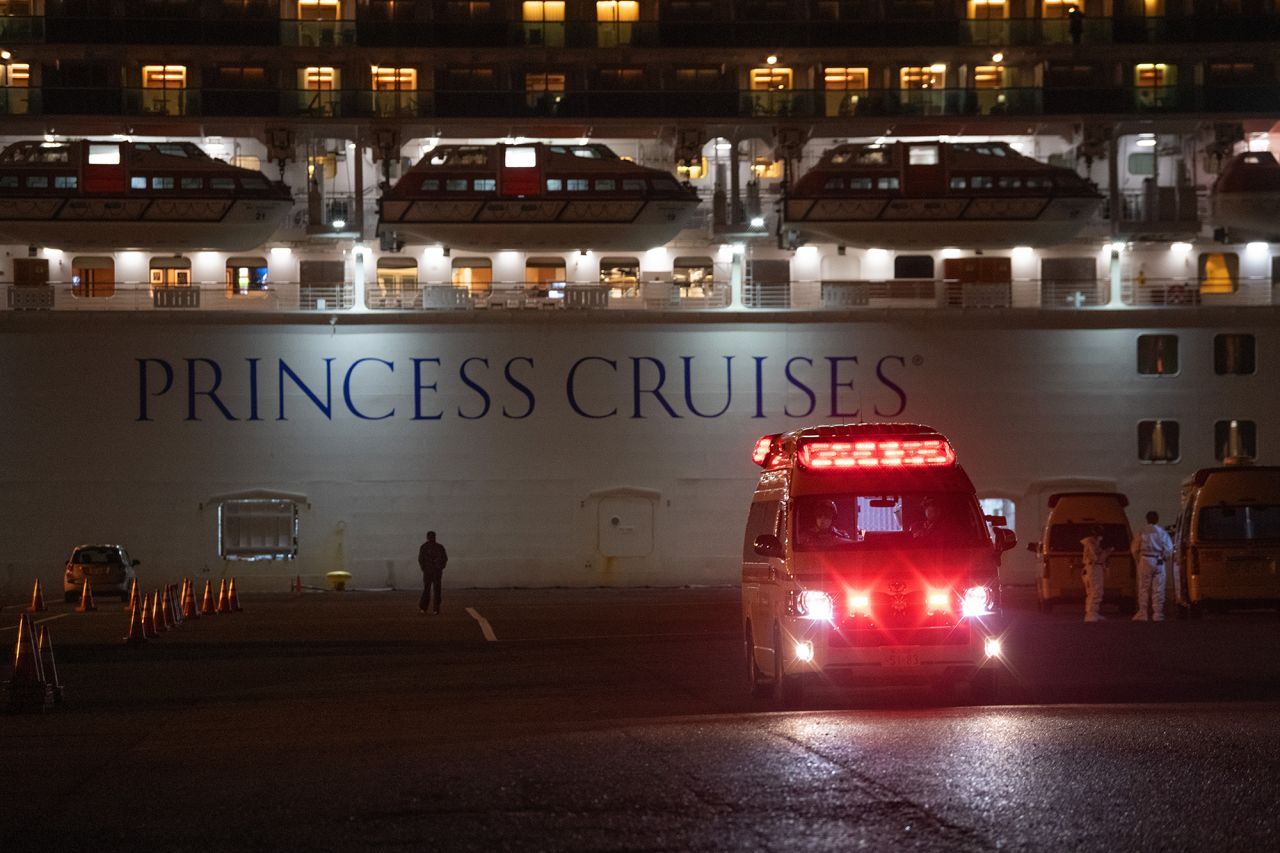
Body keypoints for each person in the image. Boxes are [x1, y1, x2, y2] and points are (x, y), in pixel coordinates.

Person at [1130, 510, 1174, 621]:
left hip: (1145, 559)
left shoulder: (1141, 531)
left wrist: (1138, 560)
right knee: (1158, 588)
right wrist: (1164, 557)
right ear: (1157, 519)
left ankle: (1143, 613)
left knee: (1143, 588)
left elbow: (1134, 548)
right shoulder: (1162, 532)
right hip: (1158, 560)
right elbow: (1169, 548)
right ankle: (1158, 614)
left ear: (1146, 519)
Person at [1081, 525, 1113, 622]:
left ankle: (1092, 612)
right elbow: (1096, 557)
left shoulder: (1093, 543)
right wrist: (1107, 552)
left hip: (1093, 567)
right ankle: (1091, 614)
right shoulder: (1091, 543)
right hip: (1094, 568)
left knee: (1092, 591)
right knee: (1096, 590)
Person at [417, 530, 448, 614]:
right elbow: (444, 559)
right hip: (436, 572)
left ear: (427, 537)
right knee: (437, 590)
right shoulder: (439, 547)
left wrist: (424, 568)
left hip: (428, 571)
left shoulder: (424, 547)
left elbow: (421, 559)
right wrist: (440, 567)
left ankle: (423, 608)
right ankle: (436, 609)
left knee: (426, 589)